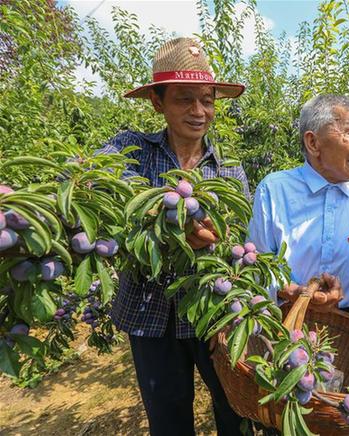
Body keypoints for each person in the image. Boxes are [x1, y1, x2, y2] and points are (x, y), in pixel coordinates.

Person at [97, 37, 248, 435]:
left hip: (212, 316)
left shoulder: (229, 171)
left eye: (208, 99)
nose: (199, 112)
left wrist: (221, 248)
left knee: (234, 411)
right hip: (149, 315)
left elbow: (238, 247)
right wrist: (169, 223)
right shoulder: (130, 148)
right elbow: (94, 188)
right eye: (184, 99)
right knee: (167, 418)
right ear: (157, 103)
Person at [247, 94, 349, 314]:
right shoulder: (274, 190)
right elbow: (255, 268)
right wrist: (293, 292)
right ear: (313, 143)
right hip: (286, 322)